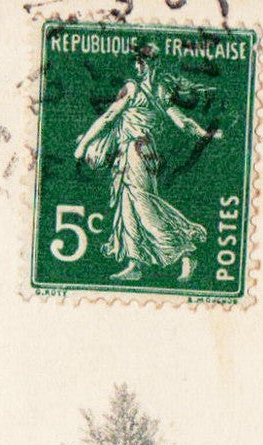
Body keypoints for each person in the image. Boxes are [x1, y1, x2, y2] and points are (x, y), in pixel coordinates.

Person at [74, 45, 222, 283]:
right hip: (145, 152)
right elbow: (182, 122)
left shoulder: (132, 88)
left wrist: (83, 145)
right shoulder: (161, 90)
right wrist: (206, 134)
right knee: (128, 206)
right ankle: (135, 264)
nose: (136, 65)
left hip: (134, 150)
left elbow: (110, 116)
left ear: (145, 63)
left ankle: (186, 251)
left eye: (139, 61)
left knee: (143, 205)